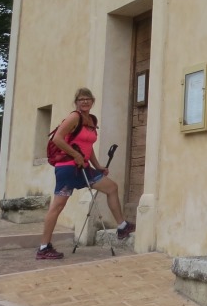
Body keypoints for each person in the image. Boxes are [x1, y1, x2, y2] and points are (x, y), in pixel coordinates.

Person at [37, 87, 135, 259]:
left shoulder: (90, 120)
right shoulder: (74, 117)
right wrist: (75, 155)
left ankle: (122, 227)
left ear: (92, 101)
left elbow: (88, 147)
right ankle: (44, 248)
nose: (84, 102)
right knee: (58, 206)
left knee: (111, 187)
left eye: (87, 99)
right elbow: (57, 138)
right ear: (76, 102)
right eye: (81, 99)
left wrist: (98, 166)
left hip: (84, 168)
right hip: (68, 168)